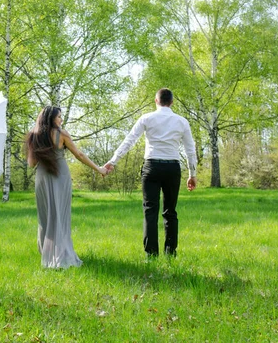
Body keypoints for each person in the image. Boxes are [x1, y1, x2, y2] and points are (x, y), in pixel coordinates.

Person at [104, 88, 197, 258]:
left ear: (156, 100)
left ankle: (151, 255)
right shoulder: (182, 121)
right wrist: (192, 174)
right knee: (170, 211)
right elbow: (190, 150)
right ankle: (170, 253)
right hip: (172, 168)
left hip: (151, 167)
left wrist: (113, 161)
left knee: (150, 210)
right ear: (172, 102)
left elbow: (129, 140)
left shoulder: (147, 118)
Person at [26, 106, 108, 269]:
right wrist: (99, 169)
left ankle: (47, 254)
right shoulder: (61, 134)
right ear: (51, 119)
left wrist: (41, 153)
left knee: (45, 217)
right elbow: (79, 155)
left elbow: (31, 164)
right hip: (60, 176)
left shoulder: (33, 136)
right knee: (60, 216)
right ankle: (60, 255)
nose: (61, 120)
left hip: (42, 178)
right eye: (59, 117)